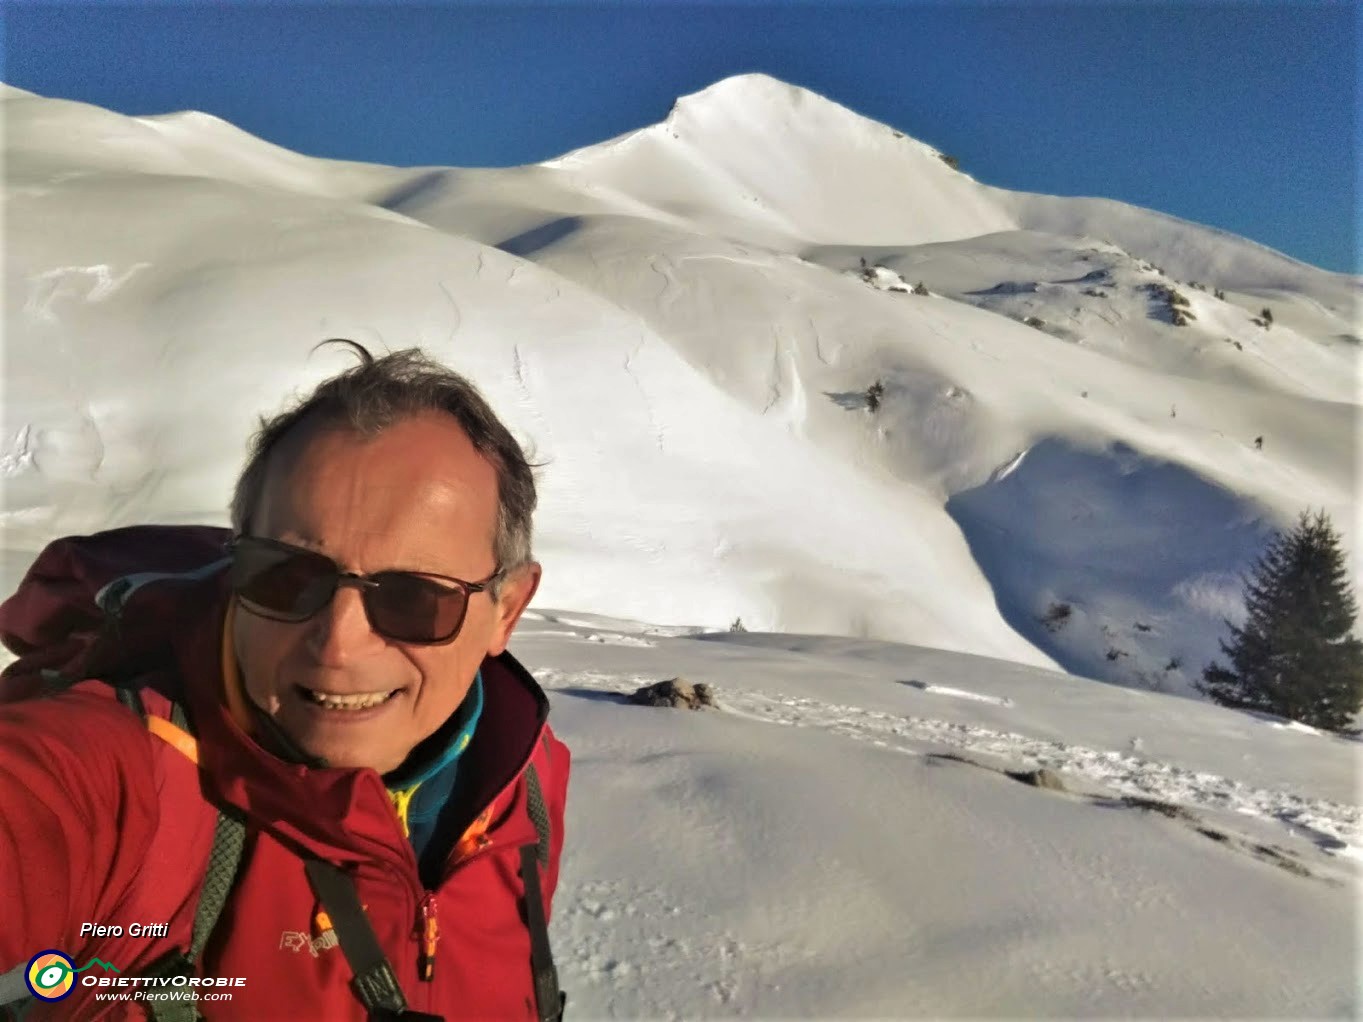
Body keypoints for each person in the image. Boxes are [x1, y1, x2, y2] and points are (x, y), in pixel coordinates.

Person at [0, 342, 570, 1021]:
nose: (337, 644)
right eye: (286, 576)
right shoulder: (123, 782)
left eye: (414, 597)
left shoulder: (521, 784)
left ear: (505, 609)